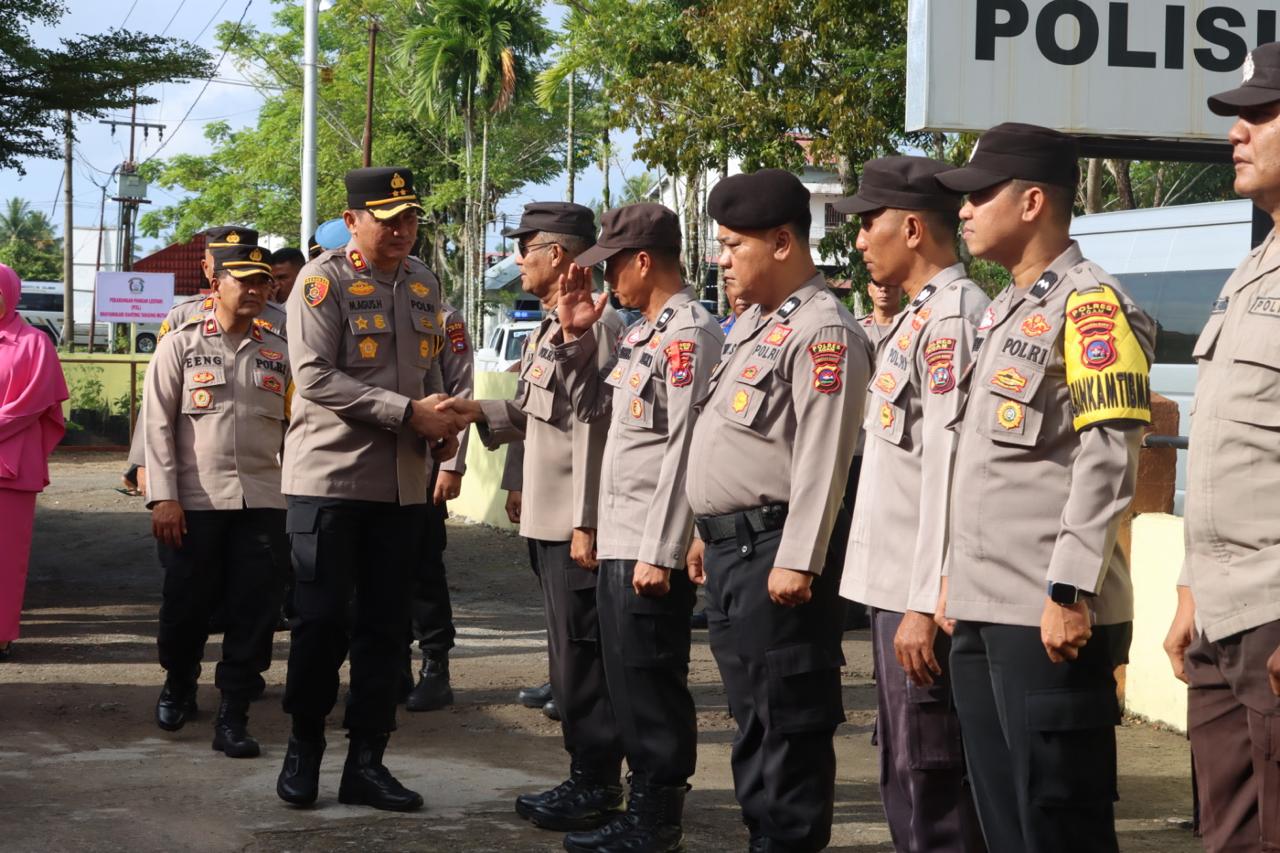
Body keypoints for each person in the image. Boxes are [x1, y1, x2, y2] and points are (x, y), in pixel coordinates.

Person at [934, 123, 1155, 852]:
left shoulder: (1090, 305)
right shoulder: (1005, 309)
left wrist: (1069, 589)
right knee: (1007, 825)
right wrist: (951, 582)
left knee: (1059, 824)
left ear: (1032, 202)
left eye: (979, 195)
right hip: (983, 607)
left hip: (1049, 616)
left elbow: (1109, 454)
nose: (963, 211)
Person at [685, 168, 871, 852]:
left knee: (787, 726)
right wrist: (704, 529)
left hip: (776, 557)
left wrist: (798, 559)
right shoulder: (755, 326)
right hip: (736, 553)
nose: (722, 257)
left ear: (784, 241)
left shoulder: (824, 331)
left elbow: (825, 459)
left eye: (735, 244)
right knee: (753, 721)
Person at [275, 167, 464, 812]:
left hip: (404, 488)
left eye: (410, 219)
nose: (402, 231)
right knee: (321, 622)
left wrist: (442, 434)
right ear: (354, 219)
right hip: (330, 480)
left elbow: (433, 364)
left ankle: (367, 762)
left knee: (387, 629)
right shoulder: (320, 281)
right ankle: (304, 749)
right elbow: (315, 378)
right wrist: (408, 414)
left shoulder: (423, 282)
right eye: (388, 219)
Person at [442, 201, 627, 833]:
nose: (518, 260)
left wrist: (589, 519)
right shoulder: (551, 329)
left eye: (527, 247)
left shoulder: (598, 328)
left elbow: (600, 430)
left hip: (577, 520)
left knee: (584, 660)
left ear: (559, 255)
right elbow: (533, 416)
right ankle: (586, 774)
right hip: (549, 520)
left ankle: (597, 781)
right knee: (568, 659)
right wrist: (477, 413)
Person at [553, 203, 724, 853]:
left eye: (614, 265)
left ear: (644, 260)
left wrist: (664, 548)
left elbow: (688, 450)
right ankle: (640, 810)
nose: (608, 280)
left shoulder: (689, 334)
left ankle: (657, 820)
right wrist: (573, 338)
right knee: (626, 680)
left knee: (652, 684)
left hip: (652, 542)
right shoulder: (644, 334)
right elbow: (595, 409)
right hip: (623, 535)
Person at [836, 156, 988, 851]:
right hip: (894, 590)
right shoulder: (915, 319)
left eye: (870, 223)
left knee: (935, 783)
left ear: (913, 226)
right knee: (904, 772)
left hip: (919, 596)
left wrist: (926, 600)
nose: (861, 239)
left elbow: (951, 471)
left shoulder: (954, 320)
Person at [1163, 43, 1280, 851]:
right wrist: (1188, 588)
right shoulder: (1253, 268)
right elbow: (1220, 448)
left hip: (1275, 610)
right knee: (1228, 835)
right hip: (1223, 614)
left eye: (1259, 114)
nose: (1236, 133)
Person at [144, 243, 289, 756]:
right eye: (244, 281)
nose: (255, 290)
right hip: (195, 502)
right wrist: (164, 497)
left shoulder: (280, 348)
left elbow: (297, 428)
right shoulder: (179, 345)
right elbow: (157, 426)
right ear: (217, 286)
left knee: (255, 610)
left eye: (263, 282)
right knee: (186, 605)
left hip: (264, 502)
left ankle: (235, 713)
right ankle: (179, 683)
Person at [404, 299, 473, 712]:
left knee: (424, 568)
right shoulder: (350, 304)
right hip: (368, 465)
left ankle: (435, 667)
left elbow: (459, 388)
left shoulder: (439, 315)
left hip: (426, 459)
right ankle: (391, 663)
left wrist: (453, 465)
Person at [0, 264, 68, 662]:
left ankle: (1, 633)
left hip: (11, 468)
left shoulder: (34, 343)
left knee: (6, 557)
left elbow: (32, 403)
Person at [860, 278, 905, 349]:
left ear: (903, 289)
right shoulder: (857, 328)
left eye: (891, 283)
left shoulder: (912, 328)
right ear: (869, 289)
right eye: (878, 283)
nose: (884, 289)